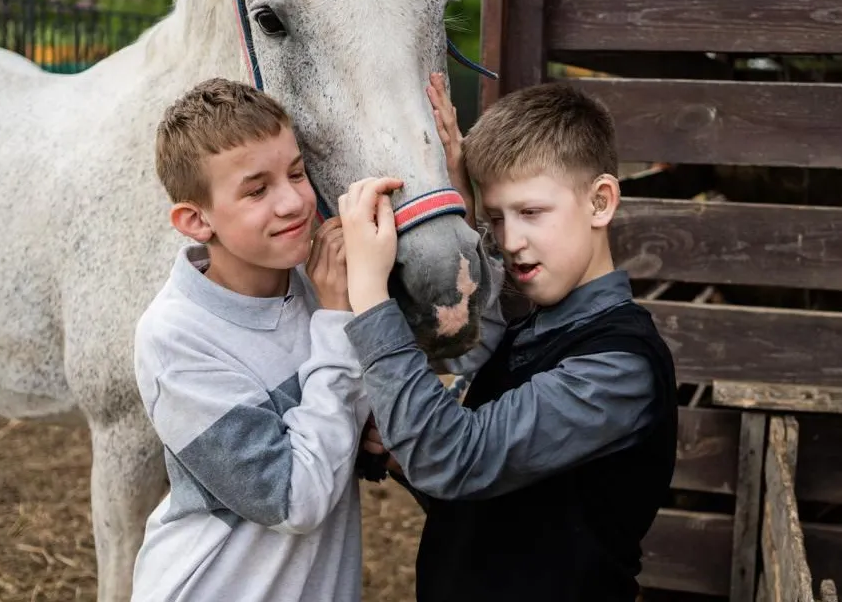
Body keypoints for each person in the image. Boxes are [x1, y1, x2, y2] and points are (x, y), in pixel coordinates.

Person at [338, 81, 679, 602]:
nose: (510, 240)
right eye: (496, 218)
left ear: (601, 201)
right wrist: (399, 456)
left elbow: (455, 457)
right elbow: (503, 507)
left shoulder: (617, 367)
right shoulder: (531, 332)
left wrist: (367, 293)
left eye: (532, 213)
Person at [127, 77, 367, 602]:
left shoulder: (315, 281)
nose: (293, 202)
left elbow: (350, 410)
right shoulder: (175, 339)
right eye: (257, 190)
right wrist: (335, 322)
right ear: (195, 220)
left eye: (297, 173)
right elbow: (293, 499)